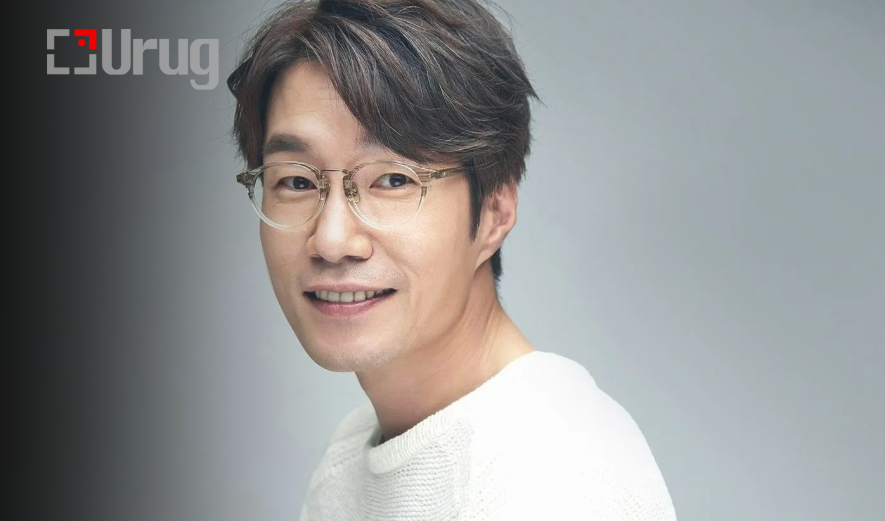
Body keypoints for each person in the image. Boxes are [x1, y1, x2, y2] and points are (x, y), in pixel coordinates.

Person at [228, 0, 677, 519]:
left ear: (494, 211)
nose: (331, 241)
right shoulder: (357, 452)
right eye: (296, 181)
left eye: (392, 179)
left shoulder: (555, 478)